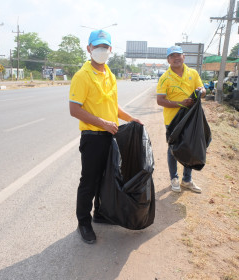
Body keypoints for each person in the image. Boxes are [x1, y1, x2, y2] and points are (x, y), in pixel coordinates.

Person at [69, 29, 142, 244]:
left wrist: (131, 119)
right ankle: (83, 222)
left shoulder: (109, 73)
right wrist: (102, 123)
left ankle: (99, 213)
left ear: (110, 49)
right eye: (97, 46)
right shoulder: (82, 75)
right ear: (89, 48)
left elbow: (113, 107)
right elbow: (74, 109)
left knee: (106, 178)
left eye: (105, 47)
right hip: (93, 137)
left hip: (111, 135)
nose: (101, 50)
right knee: (89, 181)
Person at [156, 45, 206, 193]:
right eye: (172, 56)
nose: (176, 58)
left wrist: (201, 91)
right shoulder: (165, 78)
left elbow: (202, 90)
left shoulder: (193, 73)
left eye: (178, 55)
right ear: (168, 60)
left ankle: (187, 180)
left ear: (183, 57)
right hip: (173, 121)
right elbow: (160, 100)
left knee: (189, 147)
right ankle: (174, 178)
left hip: (190, 119)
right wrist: (180, 104)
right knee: (173, 149)